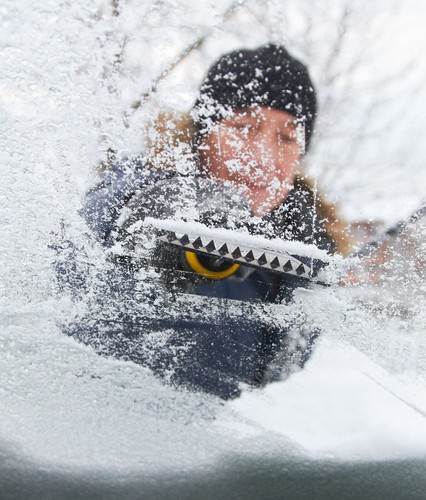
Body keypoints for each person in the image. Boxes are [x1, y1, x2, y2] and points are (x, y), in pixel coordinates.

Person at [60, 44, 349, 399]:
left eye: (287, 137)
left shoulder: (301, 249)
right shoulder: (139, 196)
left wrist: (302, 268)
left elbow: (272, 382)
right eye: (244, 127)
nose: (263, 157)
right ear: (203, 135)